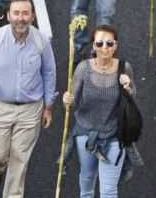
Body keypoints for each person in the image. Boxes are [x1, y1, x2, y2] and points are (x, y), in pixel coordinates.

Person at [0, 0, 56, 197]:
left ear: (32, 16)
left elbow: (49, 73)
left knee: (20, 159)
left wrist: (48, 106)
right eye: (16, 13)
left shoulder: (41, 42)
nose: (21, 18)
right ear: (8, 16)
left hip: (30, 109)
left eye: (25, 13)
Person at [62, 25, 139, 197]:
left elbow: (133, 98)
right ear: (94, 46)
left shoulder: (124, 68)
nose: (105, 47)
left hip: (114, 135)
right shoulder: (83, 68)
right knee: (88, 176)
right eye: (100, 43)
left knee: (109, 190)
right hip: (85, 133)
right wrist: (68, 100)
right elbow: (72, 102)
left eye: (110, 43)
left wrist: (128, 88)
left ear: (116, 46)